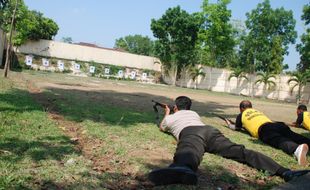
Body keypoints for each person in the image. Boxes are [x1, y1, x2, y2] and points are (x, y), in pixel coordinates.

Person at [148, 96, 310, 186]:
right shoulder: (194, 114)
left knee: (189, 148)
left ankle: (182, 168)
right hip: (210, 131)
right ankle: (285, 172)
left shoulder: (172, 117)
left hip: (191, 132)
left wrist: (167, 112)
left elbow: (163, 127)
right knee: (241, 151)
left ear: (176, 107)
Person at [225, 100, 310, 167]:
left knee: (279, 140)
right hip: (277, 124)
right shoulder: (257, 111)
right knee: (295, 136)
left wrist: (229, 124)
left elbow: (236, 128)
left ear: (241, 109)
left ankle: (296, 149)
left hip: (264, 129)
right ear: (251, 107)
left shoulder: (241, 114)